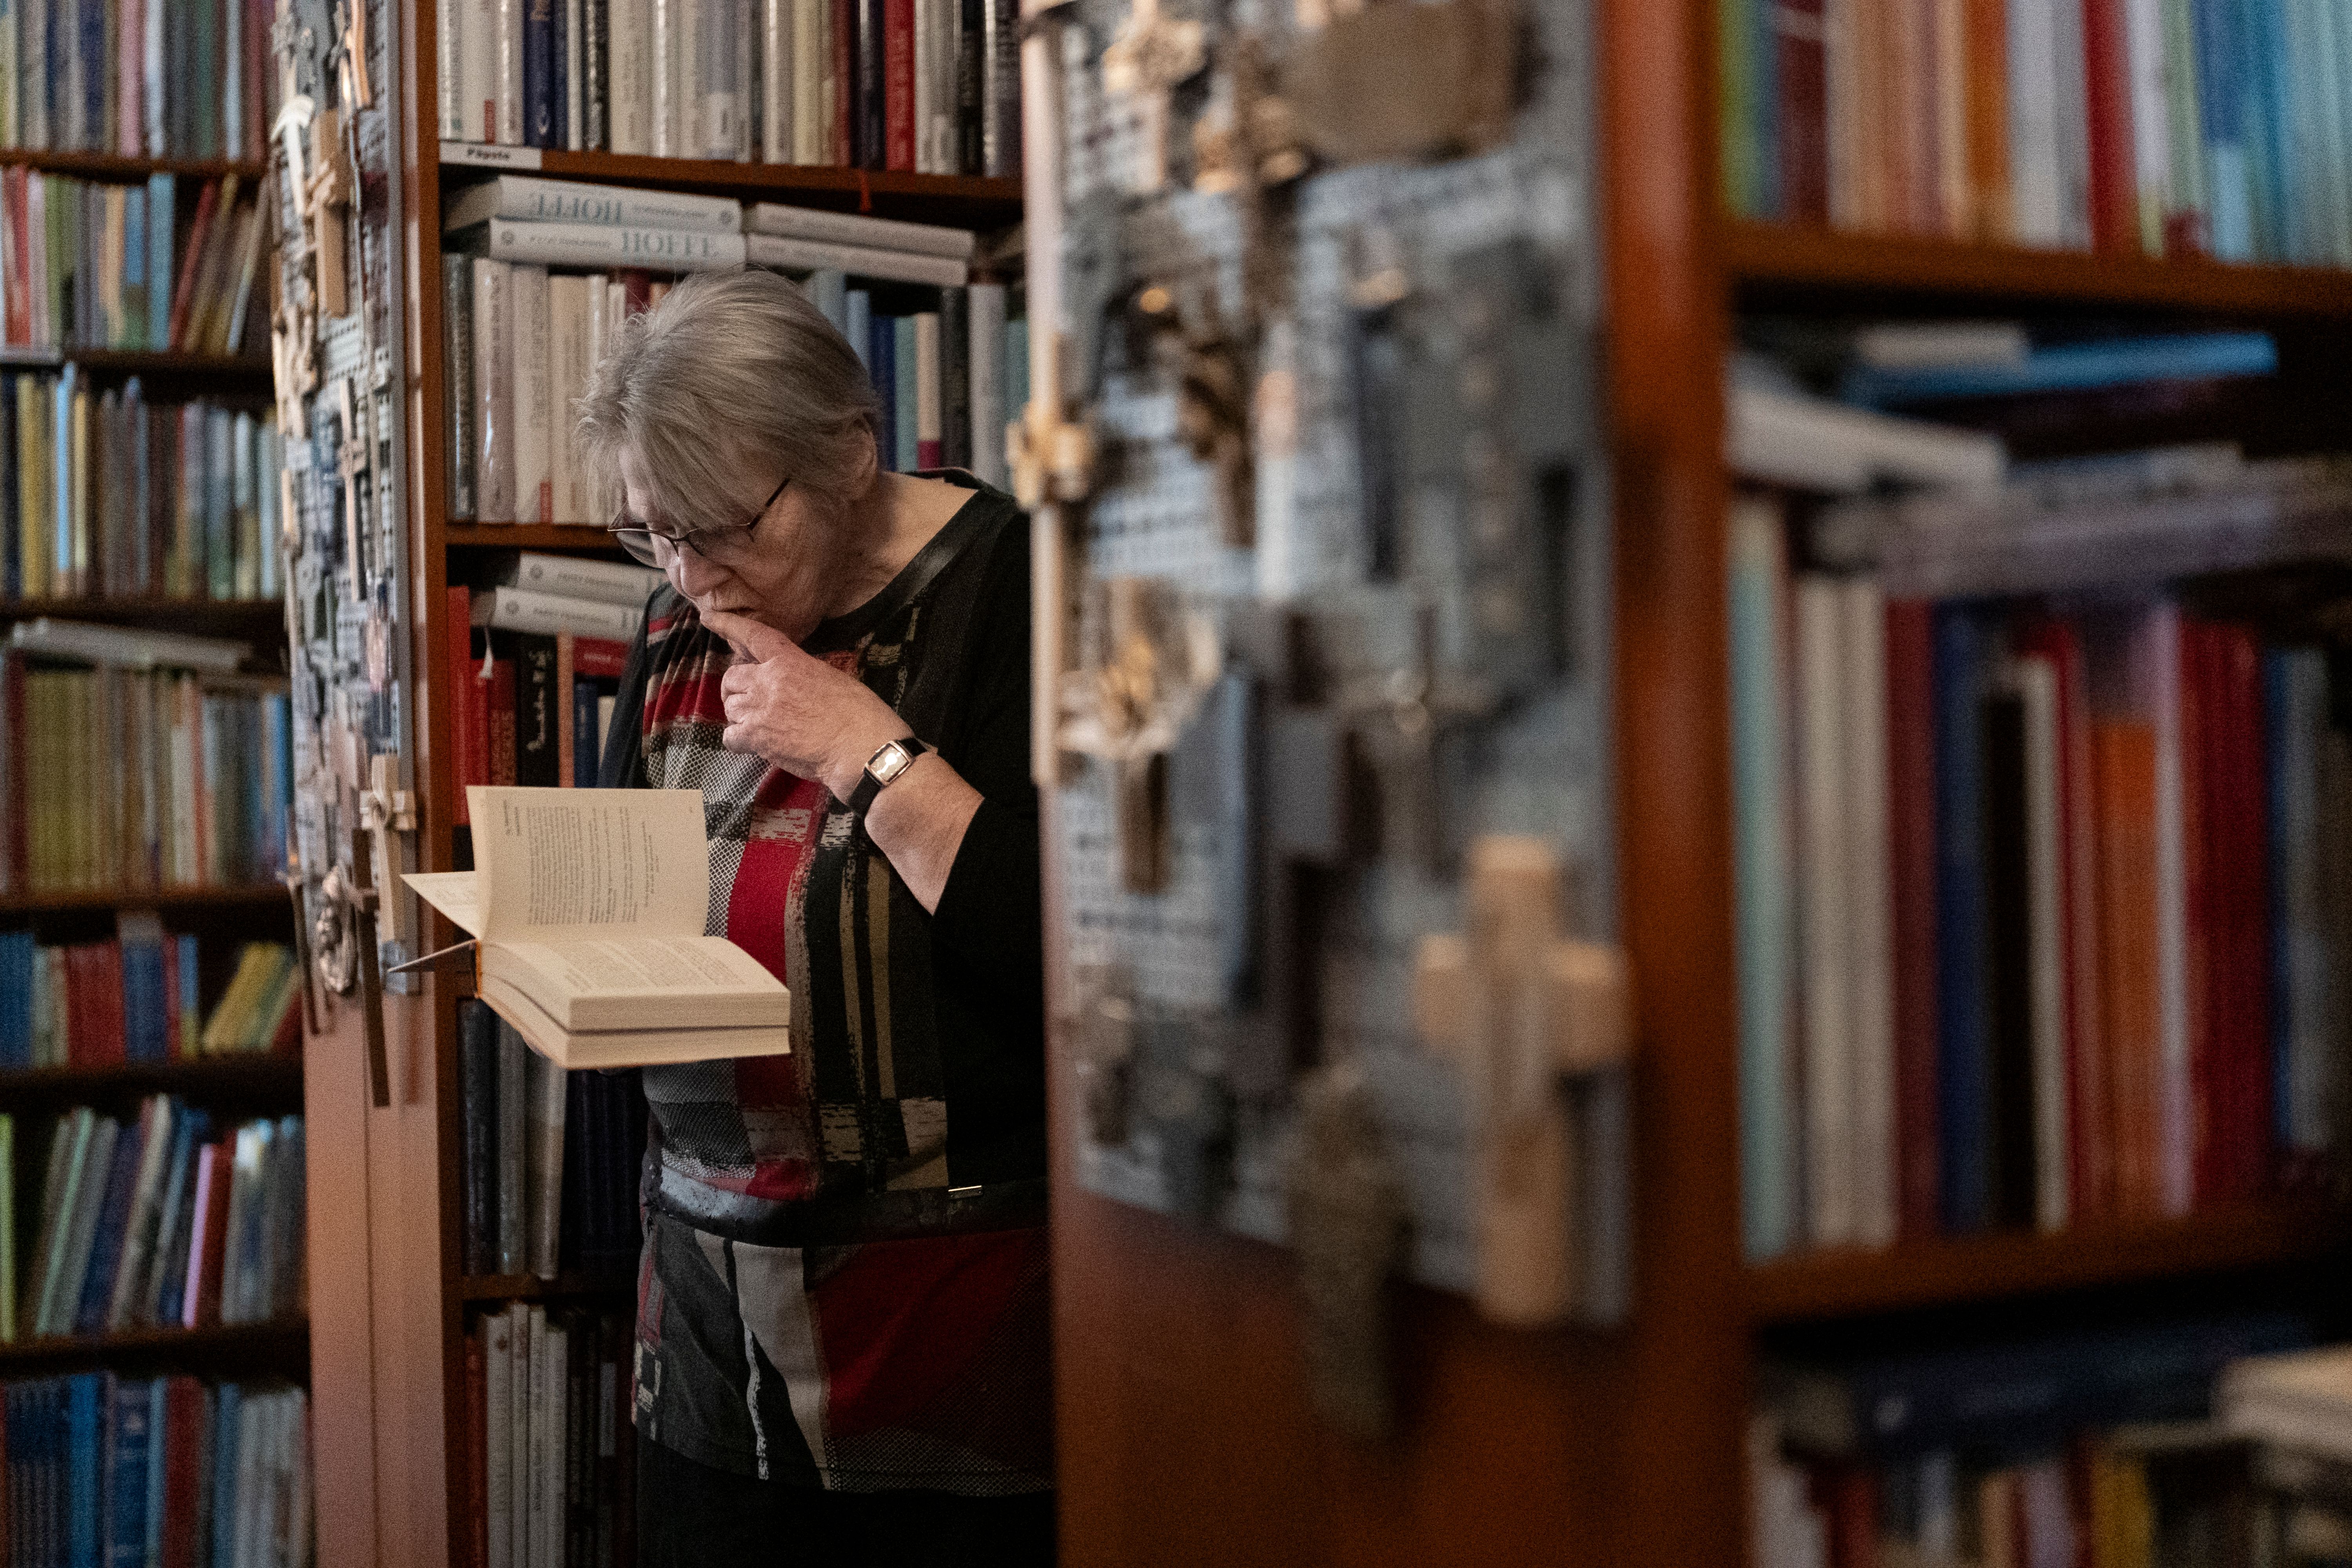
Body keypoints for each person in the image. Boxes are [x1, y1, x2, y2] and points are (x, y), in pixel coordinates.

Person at [575, 268, 1052, 1567]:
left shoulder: (1016, 585)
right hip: (712, 1350)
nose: (693, 579)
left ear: (848, 455)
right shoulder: (681, 620)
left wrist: (869, 753)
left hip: (952, 1357)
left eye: (722, 530)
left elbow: (1058, 952)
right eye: (656, 535)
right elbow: (626, 910)